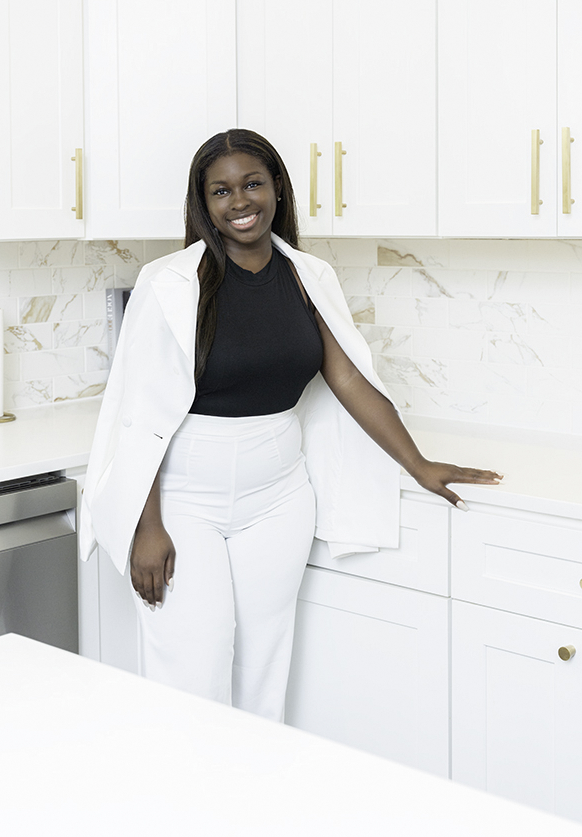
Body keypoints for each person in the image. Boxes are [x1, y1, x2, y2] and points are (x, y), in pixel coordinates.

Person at [80, 129, 502, 721]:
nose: (239, 201)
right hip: (183, 499)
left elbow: (351, 381)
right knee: (191, 672)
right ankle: (184, 804)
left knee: (263, 667)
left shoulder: (308, 277)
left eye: (252, 183)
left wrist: (419, 463)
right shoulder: (171, 282)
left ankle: (253, 801)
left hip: (278, 498)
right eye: (220, 190)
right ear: (204, 203)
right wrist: (145, 526)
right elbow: (140, 415)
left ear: (276, 186)